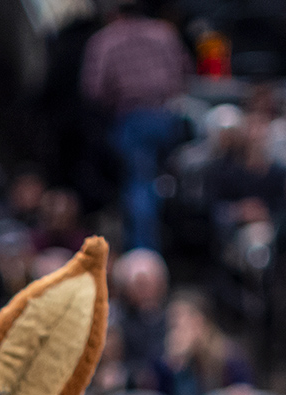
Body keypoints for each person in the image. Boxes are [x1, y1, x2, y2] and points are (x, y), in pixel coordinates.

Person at [81, 0, 187, 252]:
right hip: (166, 117)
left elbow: (93, 89)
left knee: (139, 184)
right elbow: (183, 74)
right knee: (165, 180)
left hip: (132, 119)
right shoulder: (164, 33)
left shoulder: (107, 39)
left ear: (115, 13)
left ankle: (144, 251)